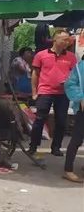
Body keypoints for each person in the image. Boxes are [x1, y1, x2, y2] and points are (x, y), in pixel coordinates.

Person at [26, 29, 77, 157]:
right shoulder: (41, 55)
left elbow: (75, 75)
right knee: (40, 119)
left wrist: (69, 82)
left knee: (61, 121)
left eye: (68, 40)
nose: (67, 42)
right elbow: (35, 74)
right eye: (64, 39)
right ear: (55, 39)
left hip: (63, 93)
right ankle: (33, 145)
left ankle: (56, 147)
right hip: (45, 91)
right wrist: (34, 92)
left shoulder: (71, 57)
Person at [62, 54, 84, 183]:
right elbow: (69, 84)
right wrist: (80, 97)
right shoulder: (80, 68)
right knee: (77, 139)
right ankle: (68, 170)